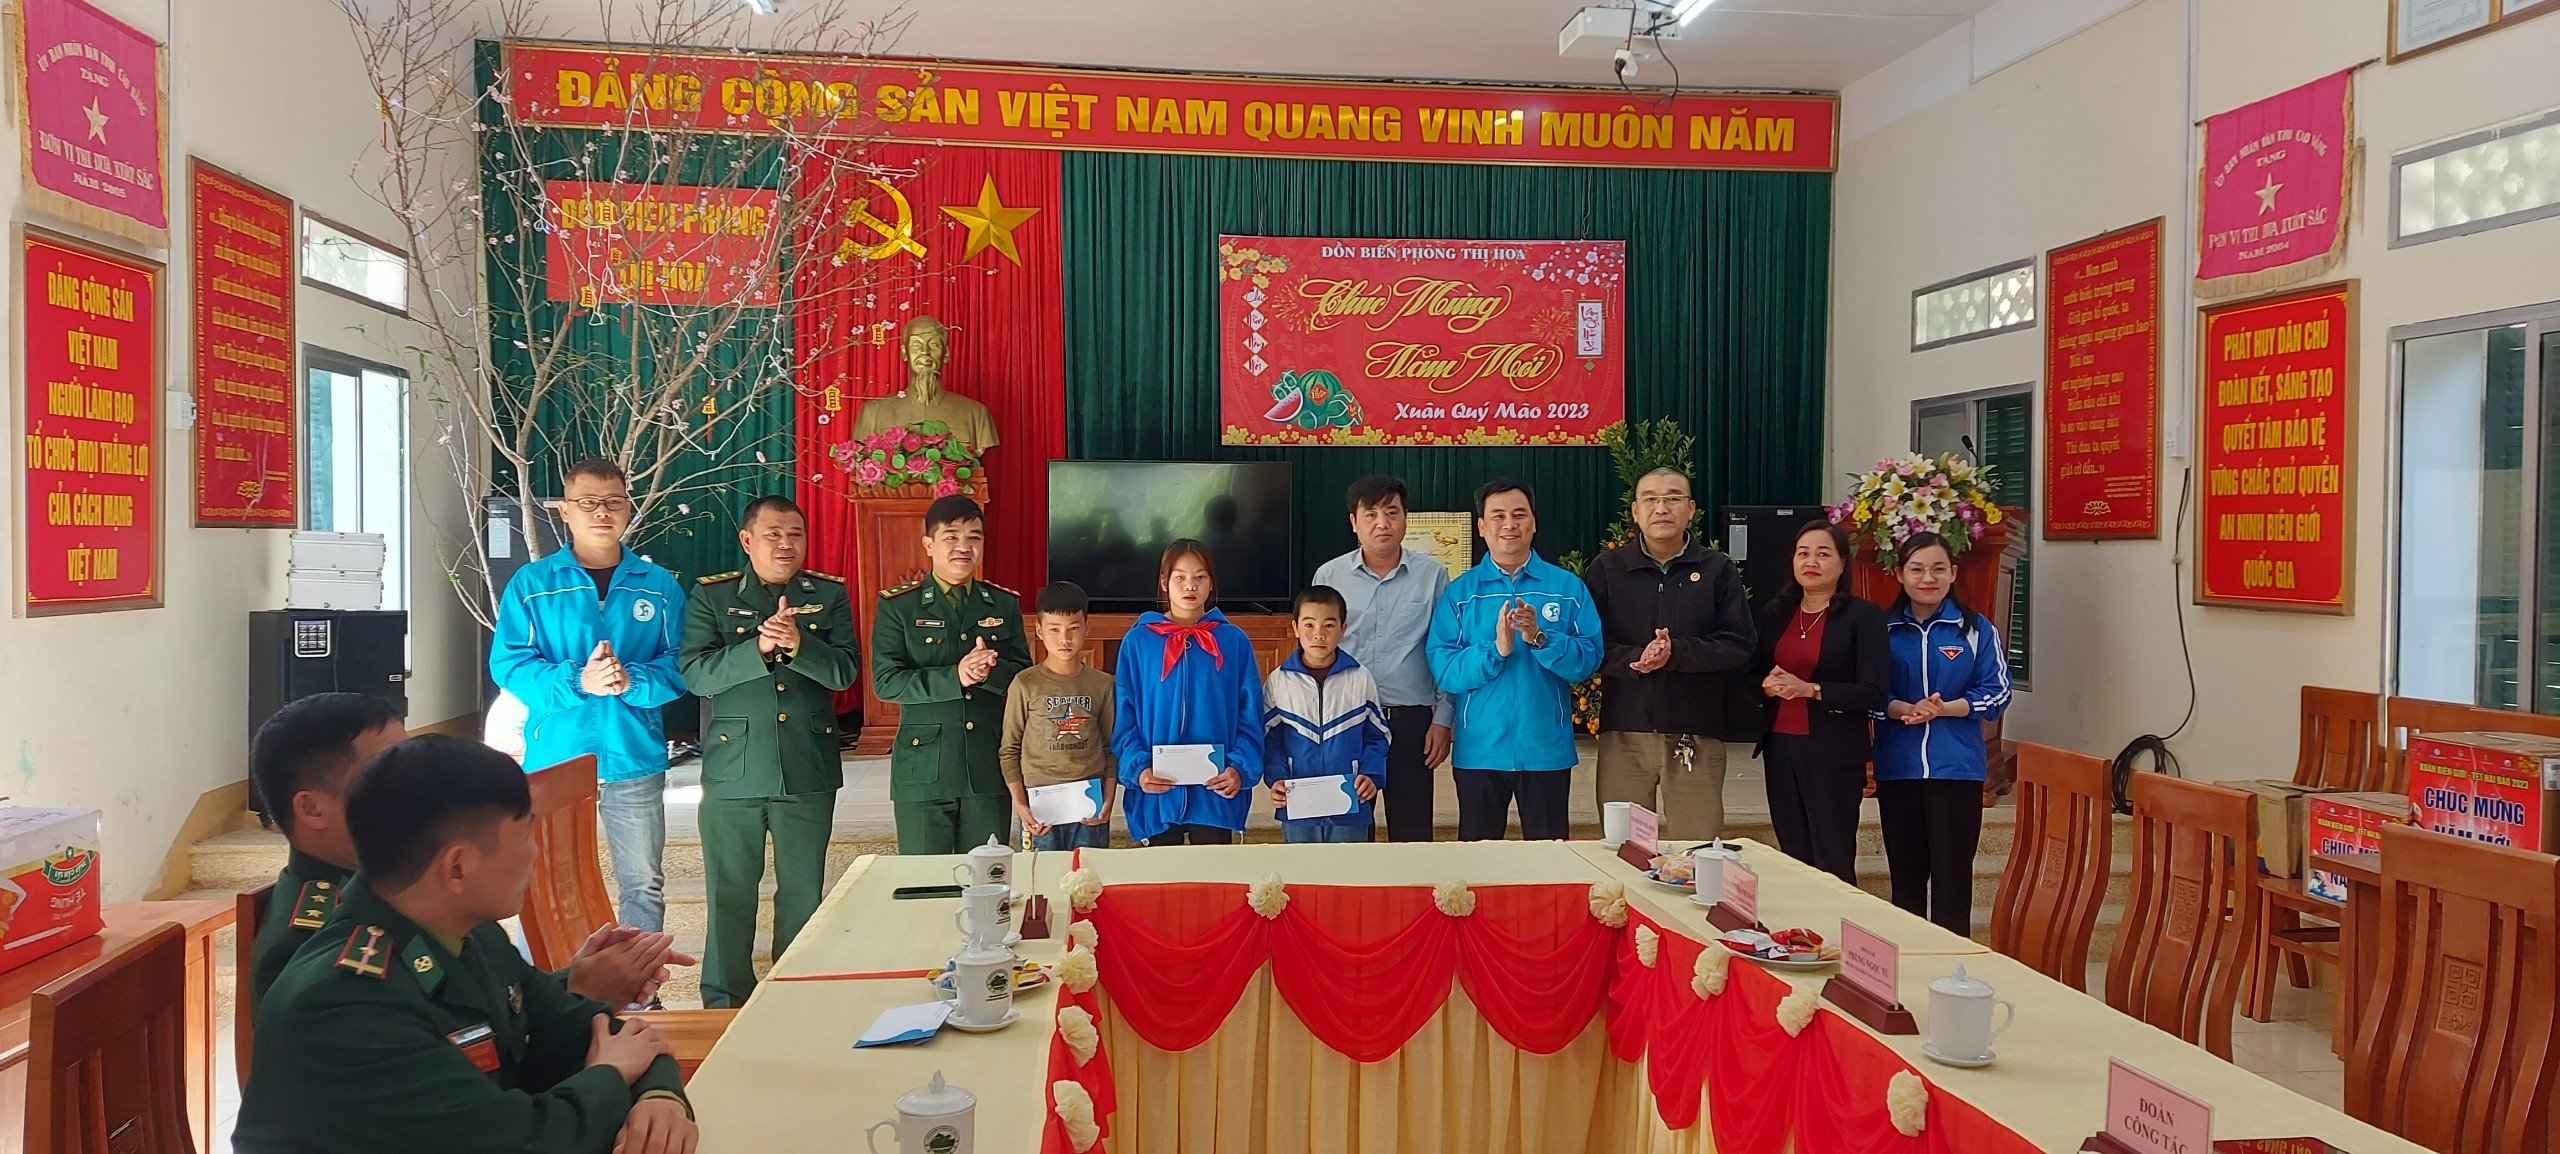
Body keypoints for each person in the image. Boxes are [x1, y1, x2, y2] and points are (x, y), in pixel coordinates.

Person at [235, 735, 697, 1154]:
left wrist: (659, 1099)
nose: (535, 853)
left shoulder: (467, 931)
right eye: (525, 836)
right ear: (457, 867)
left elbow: (599, 1032)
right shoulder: (346, 1003)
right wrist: (611, 1077)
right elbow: (522, 1141)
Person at [245, 694, 683, 1016]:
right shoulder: (314, 950)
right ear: (312, 808)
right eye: (385, 770)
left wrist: (580, 981)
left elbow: (495, 1008)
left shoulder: (426, 884)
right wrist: (586, 1003)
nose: (418, 784)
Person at [490, 458, 686, 934]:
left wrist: (631, 681)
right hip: (557, 758)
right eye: (588, 502)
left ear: (628, 508)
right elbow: (509, 664)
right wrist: (579, 681)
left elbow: (682, 663)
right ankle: (556, 975)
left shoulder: (659, 586)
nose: (602, 512)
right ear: (564, 510)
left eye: (613, 502)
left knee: (643, 883)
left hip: (633, 755)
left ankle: (641, 976)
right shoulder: (532, 584)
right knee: (548, 881)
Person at [677, 495, 859, 1009]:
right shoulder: (713, 596)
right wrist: (757, 648)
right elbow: (695, 674)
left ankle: (792, 999)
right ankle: (724, 1000)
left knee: (803, 894)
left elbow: (844, 672)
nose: (785, 544)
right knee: (729, 893)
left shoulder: (828, 594)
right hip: (735, 770)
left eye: (795, 534)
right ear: (747, 540)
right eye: (773, 534)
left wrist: (799, 645)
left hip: (806, 766)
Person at [1585, 467, 1757, 843]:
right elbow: (1588, 645)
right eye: (1650, 498)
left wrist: (1677, 652)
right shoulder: (1607, 569)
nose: (1661, 507)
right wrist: (1635, 658)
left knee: (1696, 849)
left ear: (1691, 509)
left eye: (1673, 498)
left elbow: (1738, 643)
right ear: (1635, 511)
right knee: (1626, 848)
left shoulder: (1717, 569)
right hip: (1625, 731)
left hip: (1695, 732)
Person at [1426, 480, 1602, 841]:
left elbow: (1588, 661)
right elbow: (1444, 669)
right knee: (1479, 860)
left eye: (1519, 515)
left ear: (1533, 522)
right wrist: (1496, 651)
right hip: (1480, 751)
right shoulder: (1460, 594)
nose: (1509, 524)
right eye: (1498, 516)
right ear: (1481, 526)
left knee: (1549, 857)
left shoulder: (1567, 589)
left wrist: (1540, 639)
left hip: (1545, 752)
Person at [872, 495, 1032, 853]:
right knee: (925, 879)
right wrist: (955, 676)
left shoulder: (1002, 603)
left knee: (987, 876)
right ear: (929, 544)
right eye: (951, 537)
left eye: (974, 537)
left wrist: (988, 672)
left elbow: (1024, 678)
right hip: (924, 771)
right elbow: (886, 682)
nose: (964, 547)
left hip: (985, 766)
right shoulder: (899, 606)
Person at [1875, 531, 2013, 936]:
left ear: (1953, 573)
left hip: (1957, 771)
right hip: (1898, 769)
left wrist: (1945, 708)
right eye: (1916, 569)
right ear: (1900, 574)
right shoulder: (1880, 630)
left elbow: (1998, 692)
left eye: (1938, 569)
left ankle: (1954, 964)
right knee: (1906, 882)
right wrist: (1902, 708)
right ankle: (1910, 963)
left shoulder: (1976, 630)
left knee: (1953, 884)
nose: (1927, 578)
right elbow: (1869, 693)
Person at [1311, 475, 1452, 842]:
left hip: (1411, 723)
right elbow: (1316, 648)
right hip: (1346, 723)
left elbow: (1446, 651)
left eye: (1391, 512)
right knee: (1349, 834)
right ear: (1354, 522)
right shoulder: (1329, 575)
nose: (1382, 523)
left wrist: (1443, 719)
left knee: (1412, 836)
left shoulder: (1433, 577)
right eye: (1370, 514)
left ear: (1406, 518)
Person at [1750, 520, 1891, 884]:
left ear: (1843, 563)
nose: (1811, 561)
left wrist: (1811, 689)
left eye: (1823, 554)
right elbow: (1752, 675)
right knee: (1793, 856)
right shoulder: (1776, 612)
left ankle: (1838, 921)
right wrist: (1767, 686)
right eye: (1803, 553)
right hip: (1781, 748)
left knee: (1832, 857)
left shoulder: (1863, 616)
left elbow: (1873, 691)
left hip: (1833, 752)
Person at [1112, 540, 1265, 846]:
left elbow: (1250, 716)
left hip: (1215, 793)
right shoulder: (1138, 642)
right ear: (1164, 582)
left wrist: (1238, 767)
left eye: (1200, 577)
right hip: (1157, 793)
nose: (1190, 586)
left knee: (1213, 874)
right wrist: (1138, 769)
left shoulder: (1233, 641)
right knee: (1160, 875)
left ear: (1211, 583)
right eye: (1180, 577)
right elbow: (1123, 717)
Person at [1263, 585, 1391, 843]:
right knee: (1300, 866)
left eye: (1329, 625)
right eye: (1309, 625)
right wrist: (1277, 778)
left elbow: (1377, 736)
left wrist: (1371, 774)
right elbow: (1270, 740)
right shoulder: (1279, 681)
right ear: (1295, 628)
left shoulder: (1360, 678)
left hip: (1349, 803)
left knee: (1346, 867)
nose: (1318, 634)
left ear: (1343, 628)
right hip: (1297, 803)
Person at [1000, 582, 1119, 851]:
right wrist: (1020, 804)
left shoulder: (1102, 684)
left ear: (1087, 629)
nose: (1064, 639)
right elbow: (1009, 750)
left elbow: (1110, 747)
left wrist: (1109, 799)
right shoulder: (1025, 683)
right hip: (1040, 805)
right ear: (1039, 630)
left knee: (1088, 871)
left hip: (1089, 802)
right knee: (1040, 873)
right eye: (1054, 629)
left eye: (1073, 628)